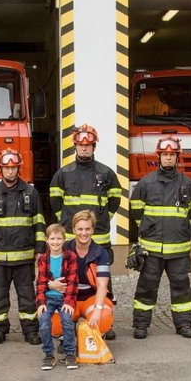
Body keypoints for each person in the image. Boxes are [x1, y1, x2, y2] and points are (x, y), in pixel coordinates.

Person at [49, 124, 122, 340]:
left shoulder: (106, 172)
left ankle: (103, 319)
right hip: (71, 240)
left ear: (94, 147)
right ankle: (67, 319)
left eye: (88, 145)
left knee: (102, 280)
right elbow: (55, 201)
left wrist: (99, 222)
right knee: (66, 278)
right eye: (80, 145)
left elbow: (115, 200)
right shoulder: (63, 174)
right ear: (75, 147)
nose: (84, 149)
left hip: (99, 239)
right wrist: (70, 224)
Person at [129, 135, 191, 339]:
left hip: (178, 249)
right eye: (165, 154)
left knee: (181, 288)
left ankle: (184, 325)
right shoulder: (146, 183)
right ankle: (141, 325)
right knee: (146, 287)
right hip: (151, 250)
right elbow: (136, 211)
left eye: (172, 155)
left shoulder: (187, 184)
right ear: (158, 157)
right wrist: (147, 232)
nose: (168, 158)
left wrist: (180, 228)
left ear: (178, 157)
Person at [0, 148, 46, 345]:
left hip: (24, 258)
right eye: (6, 168)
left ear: (18, 169)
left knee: (27, 297)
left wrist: (40, 249)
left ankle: (31, 331)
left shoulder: (31, 193)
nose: (10, 172)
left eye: (13, 168)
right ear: (0, 169)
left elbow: (39, 223)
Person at [59, 209, 115, 337]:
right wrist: (53, 285)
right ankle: (67, 334)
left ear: (93, 230)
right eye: (80, 229)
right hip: (68, 298)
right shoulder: (64, 250)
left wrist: (98, 310)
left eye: (87, 229)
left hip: (91, 298)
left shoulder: (101, 253)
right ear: (73, 230)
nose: (84, 233)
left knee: (103, 315)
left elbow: (102, 285)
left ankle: (95, 333)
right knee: (54, 318)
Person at [36, 223, 79, 370]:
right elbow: (40, 283)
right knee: (44, 321)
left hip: (65, 298)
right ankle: (49, 355)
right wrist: (41, 303)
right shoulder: (42, 259)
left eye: (59, 238)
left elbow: (73, 282)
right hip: (48, 298)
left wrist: (68, 302)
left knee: (67, 321)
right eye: (52, 239)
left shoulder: (71, 257)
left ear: (64, 240)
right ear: (47, 240)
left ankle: (70, 354)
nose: (55, 242)